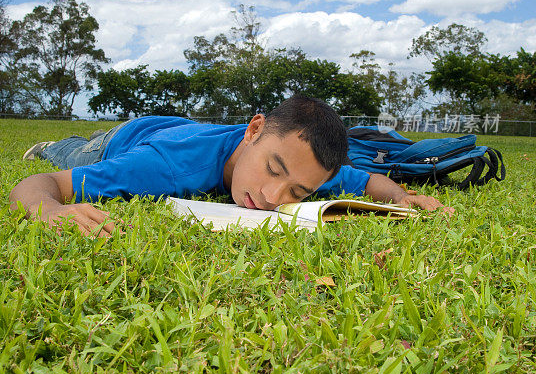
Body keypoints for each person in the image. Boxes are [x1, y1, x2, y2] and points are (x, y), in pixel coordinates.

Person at [10, 96, 451, 237]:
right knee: (72, 153)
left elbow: (367, 177)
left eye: (298, 192)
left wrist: (401, 196)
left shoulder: (309, 166)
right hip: (128, 138)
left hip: (180, 126)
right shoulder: (163, 168)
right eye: (273, 170)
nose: (273, 199)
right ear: (254, 130)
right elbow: (41, 185)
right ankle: (58, 141)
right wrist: (49, 212)